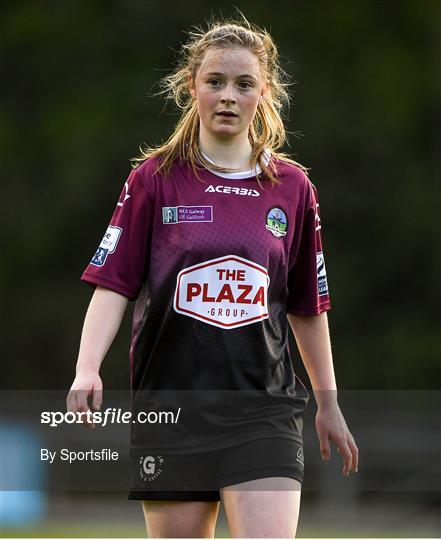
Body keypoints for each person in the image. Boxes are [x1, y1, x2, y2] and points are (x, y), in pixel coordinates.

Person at [67, 15, 358, 539]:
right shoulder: (154, 180)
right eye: (216, 81)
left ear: (263, 93)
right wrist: (87, 367)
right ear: (191, 87)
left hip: (262, 411)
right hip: (172, 411)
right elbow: (114, 283)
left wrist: (329, 402)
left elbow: (307, 304)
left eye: (244, 84)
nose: (228, 96)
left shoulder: (291, 188)